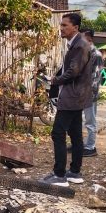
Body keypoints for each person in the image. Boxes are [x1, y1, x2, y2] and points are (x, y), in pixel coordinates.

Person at [41, 12, 91, 186]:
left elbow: (73, 72)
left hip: (72, 96)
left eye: (64, 25)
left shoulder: (79, 45)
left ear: (75, 28)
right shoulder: (76, 44)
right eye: (61, 25)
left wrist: (54, 80)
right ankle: (75, 172)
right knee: (76, 134)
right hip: (76, 96)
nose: (61, 28)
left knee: (58, 133)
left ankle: (59, 174)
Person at [82, 29, 103, 156]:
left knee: (90, 121)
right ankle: (79, 144)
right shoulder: (86, 52)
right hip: (81, 91)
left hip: (90, 93)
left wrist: (88, 91)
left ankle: (91, 147)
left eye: (82, 38)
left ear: (89, 39)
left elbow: (96, 77)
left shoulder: (97, 54)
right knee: (78, 119)